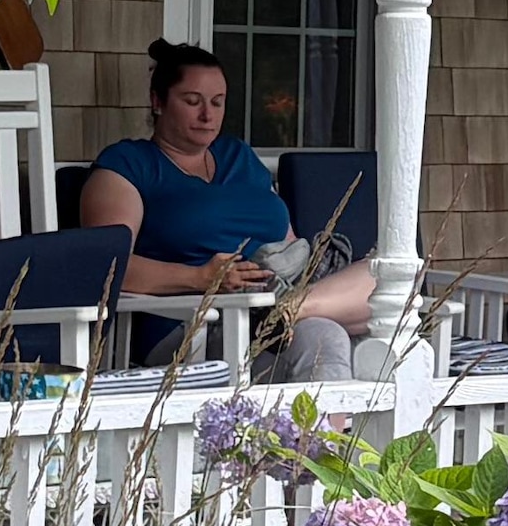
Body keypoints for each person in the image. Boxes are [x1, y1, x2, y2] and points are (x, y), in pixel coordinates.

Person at [81, 38, 382, 377]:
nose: (208, 115)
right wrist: (201, 277)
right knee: (325, 339)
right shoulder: (128, 165)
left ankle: (286, 312)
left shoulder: (238, 156)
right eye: (192, 101)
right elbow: (105, 266)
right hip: (193, 321)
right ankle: (288, 323)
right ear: (157, 102)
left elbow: (286, 242)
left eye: (217, 102)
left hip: (276, 299)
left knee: (390, 275)